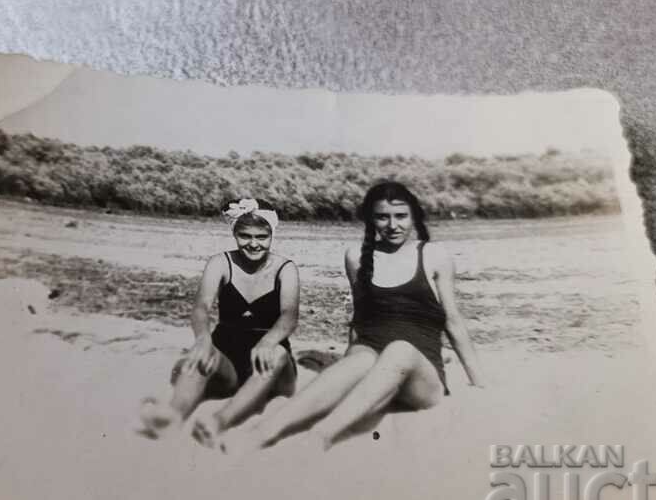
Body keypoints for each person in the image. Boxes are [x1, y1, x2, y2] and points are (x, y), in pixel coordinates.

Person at [218, 181, 483, 453]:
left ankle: (320, 436)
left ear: (413, 215)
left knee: (399, 349)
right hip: (373, 360)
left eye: (401, 216)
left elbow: (453, 320)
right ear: (371, 219)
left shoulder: (434, 256)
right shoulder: (356, 256)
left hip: (420, 378)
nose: (393, 225)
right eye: (383, 217)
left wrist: (478, 382)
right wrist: (349, 365)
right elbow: (361, 316)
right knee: (358, 360)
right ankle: (262, 433)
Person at [137, 198, 300, 443]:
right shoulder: (220, 263)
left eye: (261, 237)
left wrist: (268, 342)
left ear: (271, 235)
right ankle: (172, 415)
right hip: (229, 362)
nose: (253, 244)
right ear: (234, 234)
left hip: (271, 362)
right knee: (201, 355)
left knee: (276, 354)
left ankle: (217, 422)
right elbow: (202, 307)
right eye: (245, 236)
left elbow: (289, 316)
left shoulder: (285, 268)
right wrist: (202, 339)